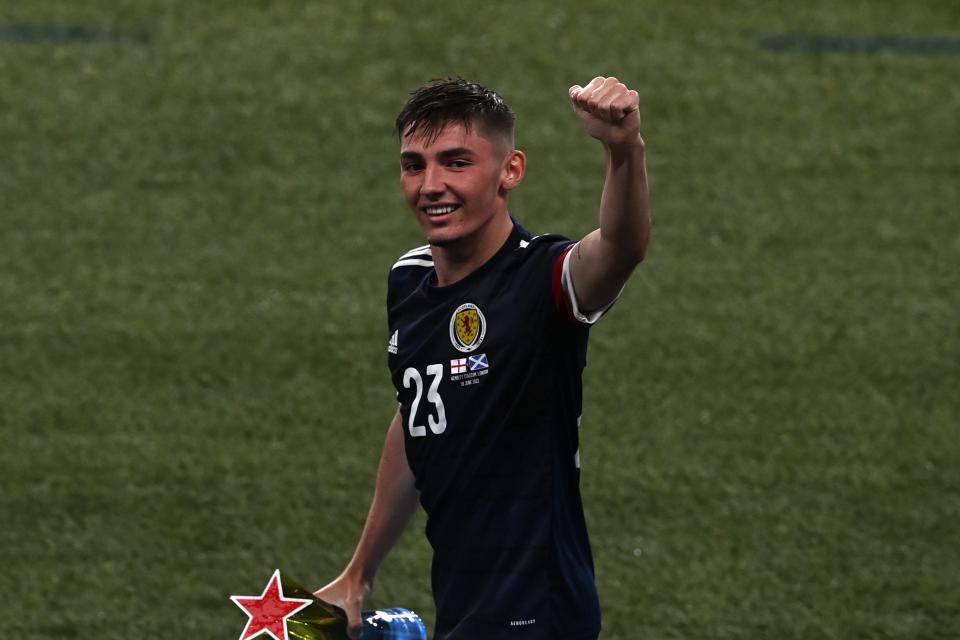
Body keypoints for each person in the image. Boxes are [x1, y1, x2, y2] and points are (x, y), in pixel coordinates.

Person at [315, 76, 650, 640]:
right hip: (465, 600)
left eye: (456, 162)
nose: (431, 185)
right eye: (414, 165)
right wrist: (359, 574)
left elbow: (621, 246)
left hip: (538, 610)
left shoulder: (543, 279)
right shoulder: (409, 280)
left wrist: (623, 149)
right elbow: (420, 413)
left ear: (510, 170)